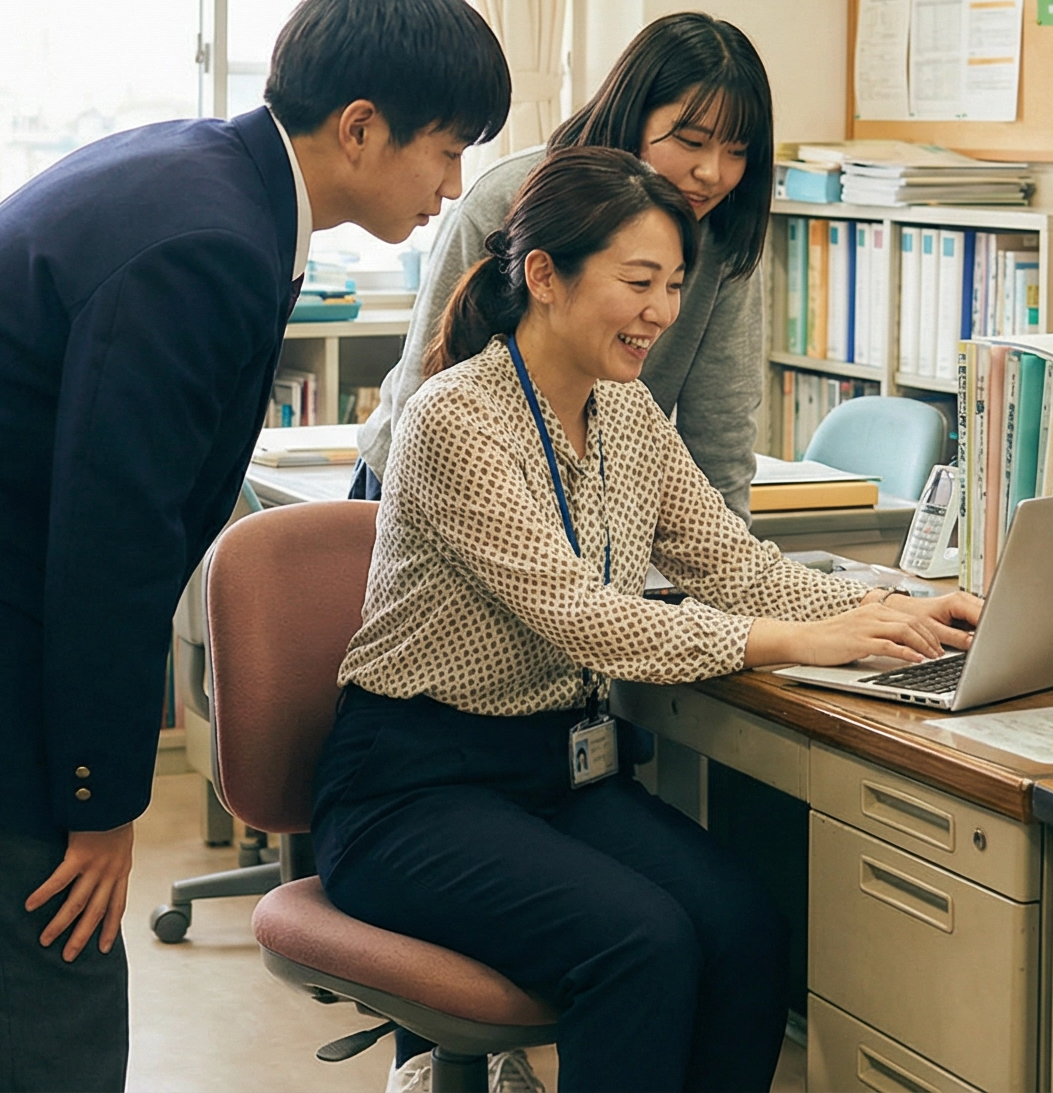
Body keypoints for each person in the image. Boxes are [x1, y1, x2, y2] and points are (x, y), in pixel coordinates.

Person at [0, 0, 511, 1093]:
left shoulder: (213, 177)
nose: (452, 188)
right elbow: (112, 547)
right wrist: (96, 806)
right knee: (40, 1021)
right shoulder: (207, 244)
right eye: (445, 151)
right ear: (358, 130)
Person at [317, 148, 983, 1093]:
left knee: (746, 927)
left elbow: (731, 565)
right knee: (641, 944)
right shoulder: (454, 420)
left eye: (674, 284)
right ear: (543, 276)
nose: (663, 313)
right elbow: (583, 617)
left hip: (554, 771)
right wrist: (795, 641)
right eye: (639, 282)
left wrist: (893, 609)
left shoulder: (625, 410)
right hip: (409, 790)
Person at [357, 12, 776, 514]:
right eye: (691, 142)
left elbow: (721, 441)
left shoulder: (723, 237)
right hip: (444, 485)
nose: (711, 173)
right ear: (633, 116)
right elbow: (424, 388)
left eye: (737, 152)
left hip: (591, 500)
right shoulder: (512, 197)